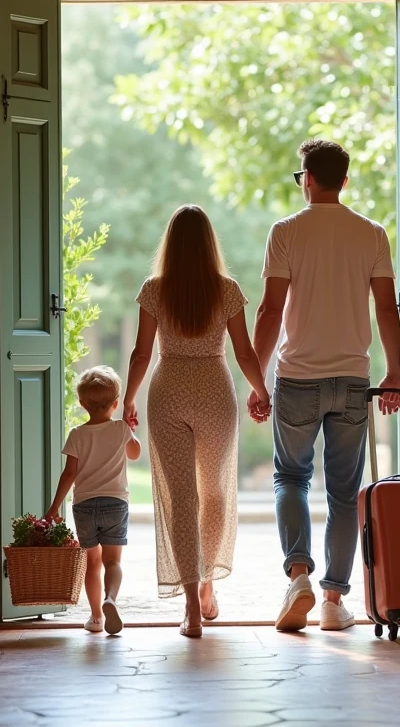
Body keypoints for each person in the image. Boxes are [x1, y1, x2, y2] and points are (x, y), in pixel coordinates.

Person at [251, 138, 400, 633]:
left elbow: (270, 310)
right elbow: (386, 308)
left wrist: (258, 380)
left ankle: (299, 575)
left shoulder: (286, 232)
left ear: (309, 179)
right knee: (344, 491)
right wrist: (393, 373)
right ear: (345, 179)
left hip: (297, 376)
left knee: (291, 478)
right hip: (352, 379)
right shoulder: (372, 233)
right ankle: (335, 602)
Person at [122, 205, 271, 638]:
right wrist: (261, 391)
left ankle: (189, 608)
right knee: (215, 492)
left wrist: (128, 398)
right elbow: (244, 353)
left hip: (167, 392)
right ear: (209, 243)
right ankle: (207, 588)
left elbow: (141, 354)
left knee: (180, 498)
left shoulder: (154, 290)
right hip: (214, 393)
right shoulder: (227, 290)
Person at [45, 366, 142, 635]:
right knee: (113, 562)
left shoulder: (77, 434)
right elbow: (135, 454)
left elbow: (69, 473)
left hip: (84, 505)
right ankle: (111, 598)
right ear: (115, 403)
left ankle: (97, 617)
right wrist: (130, 430)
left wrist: (54, 507)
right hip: (115, 503)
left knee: (93, 562)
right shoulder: (121, 429)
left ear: (82, 403)